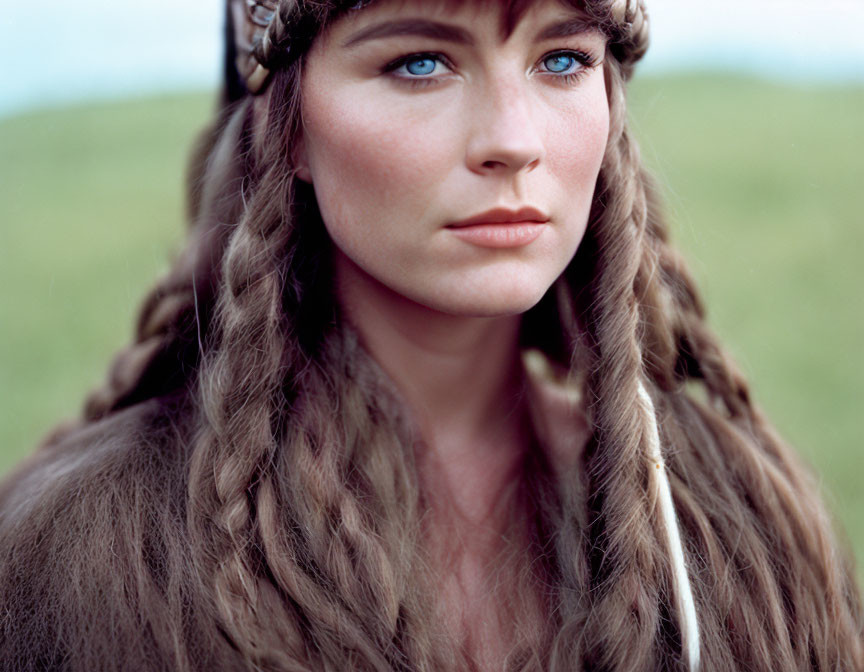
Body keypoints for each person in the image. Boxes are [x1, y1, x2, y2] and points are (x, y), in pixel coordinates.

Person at [1, 0, 861, 670]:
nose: (513, 143)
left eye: (563, 59)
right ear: (289, 126)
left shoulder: (734, 533)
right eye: (420, 63)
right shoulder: (88, 559)